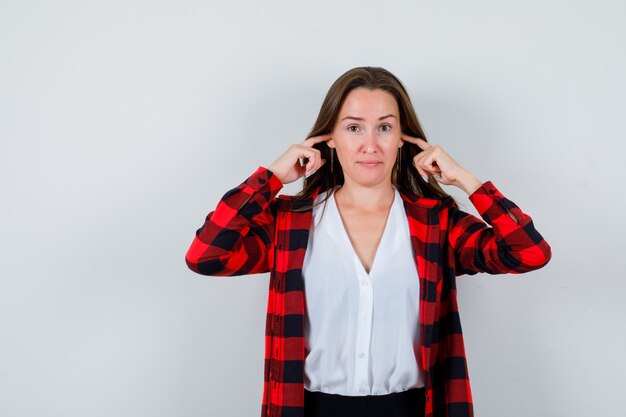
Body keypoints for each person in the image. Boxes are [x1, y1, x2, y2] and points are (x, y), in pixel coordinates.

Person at [185, 66, 552, 417]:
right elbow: (205, 256)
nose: (370, 145)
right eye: (354, 128)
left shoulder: (436, 222)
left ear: (402, 138)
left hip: (412, 408)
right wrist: (272, 178)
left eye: (385, 127)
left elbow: (529, 252)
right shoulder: (290, 222)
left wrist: (465, 181)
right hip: (309, 409)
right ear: (329, 137)